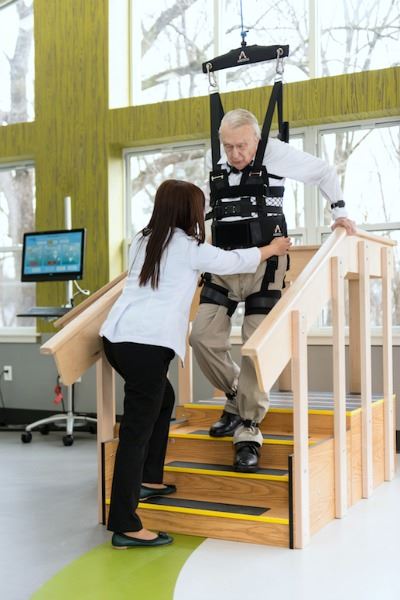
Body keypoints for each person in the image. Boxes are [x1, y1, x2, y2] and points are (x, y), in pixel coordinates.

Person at [99, 178, 291, 549]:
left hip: (116, 339)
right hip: (146, 345)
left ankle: (151, 478)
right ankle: (125, 523)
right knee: (134, 434)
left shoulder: (144, 240)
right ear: (188, 212)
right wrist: (273, 247)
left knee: (163, 400)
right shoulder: (189, 248)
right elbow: (236, 260)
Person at [190, 108, 356, 474]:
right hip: (224, 264)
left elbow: (324, 172)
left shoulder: (275, 154)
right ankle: (237, 395)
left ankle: (248, 430)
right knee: (201, 336)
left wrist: (339, 210)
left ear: (257, 140)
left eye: (242, 146)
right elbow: (205, 205)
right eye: (229, 146)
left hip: (266, 265)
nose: (235, 154)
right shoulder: (220, 160)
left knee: (255, 344)